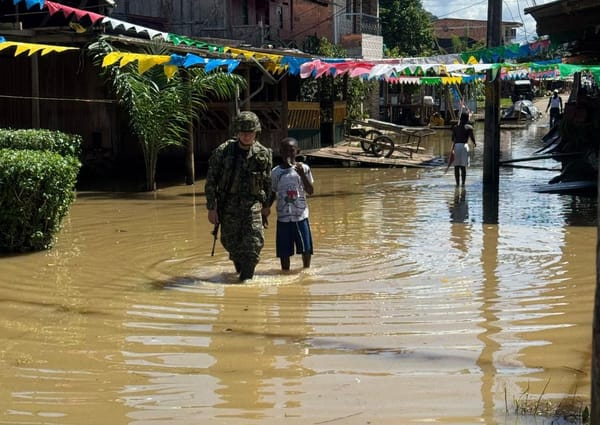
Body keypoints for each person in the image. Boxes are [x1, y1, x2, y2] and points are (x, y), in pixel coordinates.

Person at [205, 111, 273, 282]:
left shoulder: (263, 154)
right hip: (228, 204)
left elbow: (268, 182)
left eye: (250, 132)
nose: (246, 136)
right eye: (243, 132)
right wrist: (211, 208)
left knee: (253, 243)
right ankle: (241, 273)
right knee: (231, 243)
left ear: (256, 132)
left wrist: (266, 206)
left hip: (253, 204)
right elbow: (211, 181)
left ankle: (246, 280)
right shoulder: (223, 152)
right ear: (237, 132)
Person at [271, 137, 314, 271]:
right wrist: (265, 210)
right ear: (280, 152)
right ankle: (285, 273)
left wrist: (301, 174)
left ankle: (306, 271)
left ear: (298, 152)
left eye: (291, 151)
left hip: (300, 216)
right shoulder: (276, 172)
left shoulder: (304, 169)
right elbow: (272, 192)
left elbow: (311, 191)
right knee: (284, 251)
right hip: (283, 217)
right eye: (285, 151)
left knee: (306, 248)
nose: (288, 154)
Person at [450, 111, 476, 186]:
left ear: (460, 118)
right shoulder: (469, 127)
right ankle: (463, 184)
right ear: (467, 118)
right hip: (465, 146)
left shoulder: (455, 127)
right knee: (463, 167)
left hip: (457, 146)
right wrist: (474, 143)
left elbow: (452, 139)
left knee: (456, 167)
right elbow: (472, 137)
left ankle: (457, 184)